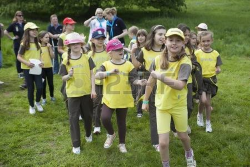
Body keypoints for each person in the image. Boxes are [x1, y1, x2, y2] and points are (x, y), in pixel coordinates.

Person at [142, 28, 196, 167]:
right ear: (165, 41)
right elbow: (150, 81)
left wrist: (160, 76)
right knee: (163, 143)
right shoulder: (158, 59)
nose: (174, 43)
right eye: (171, 40)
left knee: (183, 136)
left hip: (178, 105)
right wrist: (146, 100)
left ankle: (189, 153)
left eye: (178, 41)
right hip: (162, 106)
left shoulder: (185, 62)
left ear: (183, 43)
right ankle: (166, 165)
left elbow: (179, 85)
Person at [95, 39, 147, 153]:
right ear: (110, 53)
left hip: (123, 98)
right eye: (117, 49)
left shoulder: (128, 64)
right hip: (109, 99)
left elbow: (133, 78)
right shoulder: (106, 64)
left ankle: (122, 143)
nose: (120, 51)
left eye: (121, 48)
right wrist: (109, 73)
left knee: (121, 121)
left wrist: (139, 82)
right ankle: (111, 134)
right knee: (104, 118)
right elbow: (97, 75)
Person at [130, 25, 166, 151]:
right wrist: (133, 53)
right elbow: (136, 65)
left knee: (167, 110)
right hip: (150, 83)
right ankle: (156, 141)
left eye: (164, 34)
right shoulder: (145, 50)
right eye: (160, 34)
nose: (163, 37)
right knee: (153, 113)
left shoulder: (167, 49)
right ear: (153, 35)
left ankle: (173, 129)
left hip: (166, 83)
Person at [60, 32, 96, 154]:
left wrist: (93, 89)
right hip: (72, 94)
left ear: (81, 44)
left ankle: (88, 133)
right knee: (73, 118)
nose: (76, 45)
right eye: (73, 44)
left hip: (86, 92)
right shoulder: (66, 60)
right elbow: (62, 78)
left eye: (78, 43)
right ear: (69, 46)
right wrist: (68, 75)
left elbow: (92, 74)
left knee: (88, 116)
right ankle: (76, 144)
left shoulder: (87, 57)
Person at [195, 31, 222, 133]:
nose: (206, 43)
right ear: (200, 41)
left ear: (212, 40)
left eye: (208, 41)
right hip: (200, 80)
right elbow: (193, 66)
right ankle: (199, 115)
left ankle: (208, 123)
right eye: (203, 41)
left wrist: (218, 70)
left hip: (210, 80)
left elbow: (218, 67)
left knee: (207, 102)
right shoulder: (197, 53)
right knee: (203, 101)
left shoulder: (215, 54)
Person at [17, 22, 44, 114]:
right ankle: (32, 106)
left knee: (40, 87)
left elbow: (40, 55)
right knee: (31, 88)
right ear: (27, 31)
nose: (34, 31)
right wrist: (27, 63)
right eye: (32, 30)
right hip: (27, 69)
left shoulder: (38, 44)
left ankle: (37, 102)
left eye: (36, 30)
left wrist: (41, 62)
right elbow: (19, 56)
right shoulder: (24, 43)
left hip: (37, 69)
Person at [88, 28, 109, 134]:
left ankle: (106, 121)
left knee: (106, 103)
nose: (100, 40)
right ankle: (96, 125)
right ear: (92, 40)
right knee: (96, 104)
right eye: (98, 39)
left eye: (102, 38)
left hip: (108, 82)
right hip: (96, 83)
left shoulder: (108, 53)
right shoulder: (89, 55)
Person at [4, 11, 27, 88]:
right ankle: (20, 72)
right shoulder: (14, 24)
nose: (21, 17)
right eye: (19, 15)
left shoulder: (25, 24)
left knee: (25, 57)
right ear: (16, 16)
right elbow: (5, 31)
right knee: (18, 57)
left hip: (24, 43)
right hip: (17, 43)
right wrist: (12, 38)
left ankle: (25, 71)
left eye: (22, 15)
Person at [130, 29, 148, 117]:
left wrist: (142, 66)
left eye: (142, 35)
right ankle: (139, 111)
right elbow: (131, 60)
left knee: (145, 91)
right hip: (136, 73)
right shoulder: (135, 47)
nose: (140, 38)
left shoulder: (148, 48)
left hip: (146, 72)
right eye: (139, 36)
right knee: (139, 92)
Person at [38, 31, 55, 105]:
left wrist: (50, 48)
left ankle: (52, 96)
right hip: (41, 68)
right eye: (46, 37)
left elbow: (53, 57)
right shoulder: (38, 47)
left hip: (49, 67)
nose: (48, 39)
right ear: (41, 39)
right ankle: (44, 98)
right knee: (43, 84)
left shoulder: (49, 46)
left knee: (51, 83)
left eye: (48, 37)